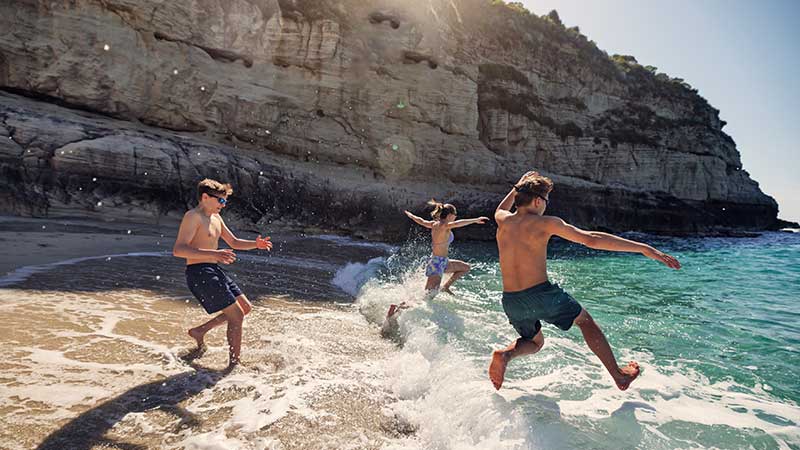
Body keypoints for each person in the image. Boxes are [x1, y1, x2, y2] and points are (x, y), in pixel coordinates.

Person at [488, 171, 681, 390]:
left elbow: (500, 209)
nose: (546, 207)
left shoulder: (503, 220)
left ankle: (505, 355)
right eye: (546, 201)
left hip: (511, 300)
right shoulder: (546, 223)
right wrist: (643, 248)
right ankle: (619, 375)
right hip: (540, 293)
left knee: (534, 342)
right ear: (537, 201)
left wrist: (517, 187)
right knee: (585, 321)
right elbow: (591, 239)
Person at [173, 179, 272, 367]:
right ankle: (234, 365)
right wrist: (214, 254)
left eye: (225, 202)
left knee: (245, 307)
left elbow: (234, 242)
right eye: (221, 201)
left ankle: (200, 331)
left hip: (214, 269)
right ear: (205, 197)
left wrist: (255, 244)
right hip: (199, 272)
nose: (223, 205)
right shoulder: (192, 217)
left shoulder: (216, 218)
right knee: (236, 315)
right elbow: (178, 250)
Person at [386, 200, 489, 318]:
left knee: (465, 268)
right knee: (426, 297)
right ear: (450, 215)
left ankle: (446, 287)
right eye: (455, 215)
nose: (455, 217)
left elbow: (421, 221)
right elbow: (459, 223)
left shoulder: (434, 224)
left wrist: (411, 215)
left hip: (442, 262)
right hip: (437, 264)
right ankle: (397, 308)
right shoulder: (444, 225)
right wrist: (475, 220)